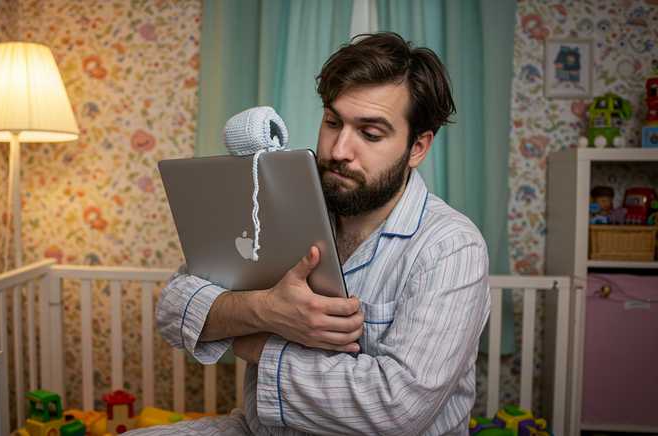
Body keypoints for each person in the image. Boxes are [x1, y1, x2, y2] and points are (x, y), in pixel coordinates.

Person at [133, 32, 490, 435]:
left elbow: (395, 407)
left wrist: (255, 345)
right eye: (333, 122)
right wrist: (265, 310)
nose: (339, 150)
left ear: (418, 147)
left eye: (370, 134)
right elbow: (174, 308)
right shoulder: (280, 204)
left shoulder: (451, 247)